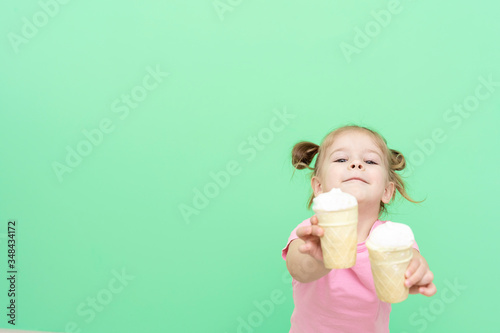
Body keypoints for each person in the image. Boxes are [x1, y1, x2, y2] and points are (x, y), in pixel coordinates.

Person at [282, 125, 436, 332]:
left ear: (387, 191)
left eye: (370, 161)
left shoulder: (393, 236)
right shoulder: (311, 231)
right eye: (341, 159)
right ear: (318, 187)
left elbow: (412, 260)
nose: (356, 164)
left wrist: (417, 271)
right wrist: (319, 258)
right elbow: (298, 269)